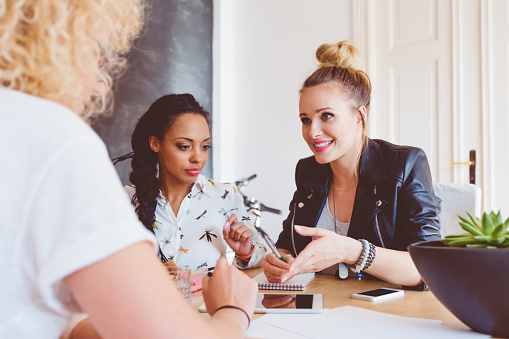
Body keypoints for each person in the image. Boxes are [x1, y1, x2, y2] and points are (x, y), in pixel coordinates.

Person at [0, 1, 257, 339]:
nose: (97, 86)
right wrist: (233, 311)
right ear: (56, 46)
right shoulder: (57, 140)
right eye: (95, 53)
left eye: (205, 146)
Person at [261, 40, 441, 287]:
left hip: (385, 315)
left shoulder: (405, 164)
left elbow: (429, 269)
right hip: (323, 308)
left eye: (326, 116)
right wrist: (278, 259)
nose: (312, 132)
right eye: (305, 120)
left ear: (359, 116)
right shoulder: (308, 170)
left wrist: (352, 251)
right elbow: (288, 243)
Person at [115, 93, 265, 271]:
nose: (198, 158)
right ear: (155, 143)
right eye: (185, 147)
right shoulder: (125, 201)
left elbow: (261, 256)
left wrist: (245, 252)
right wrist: (151, 275)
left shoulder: (225, 195)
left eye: (204, 147)